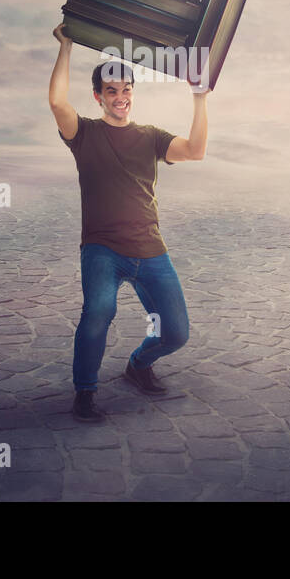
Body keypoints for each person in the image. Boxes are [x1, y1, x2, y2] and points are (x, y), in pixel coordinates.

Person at [48, 22, 208, 422]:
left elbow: (195, 151)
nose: (120, 98)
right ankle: (85, 392)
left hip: (150, 248)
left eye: (126, 91)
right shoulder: (83, 133)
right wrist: (66, 46)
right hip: (102, 248)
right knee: (99, 310)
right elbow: (56, 102)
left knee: (176, 333)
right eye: (112, 92)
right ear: (99, 96)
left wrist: (199, 97)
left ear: (132, 94)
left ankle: (138, 365)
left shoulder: (151, 136)